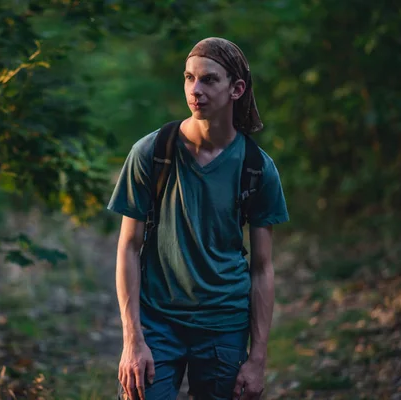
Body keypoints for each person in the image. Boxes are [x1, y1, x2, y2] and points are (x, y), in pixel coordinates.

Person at [107, 37, 289, 400]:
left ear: (237, 88)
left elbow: (262, 268)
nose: (195, 90)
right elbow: (128, 247)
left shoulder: (257, 168)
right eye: (189, 78)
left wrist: (257, 359)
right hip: (158, 321)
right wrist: (133, 339)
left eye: (208, 80)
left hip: (224, 326)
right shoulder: (151, 152)